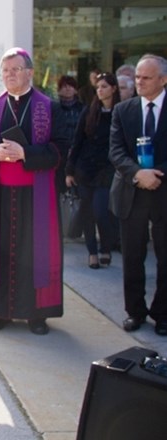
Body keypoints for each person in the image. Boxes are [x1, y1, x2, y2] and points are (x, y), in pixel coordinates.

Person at [0, 47, 69, 335]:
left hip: (37, 197)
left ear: (30, 72)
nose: (10, 75)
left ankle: (37, 314)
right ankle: (0, 311)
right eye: (6, 70)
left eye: (15, 69)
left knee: (35, 254)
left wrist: (26, 153)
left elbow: (61, 149)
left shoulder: (49, 107)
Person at [109, 54, 167, 336]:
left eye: (146, 77)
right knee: (132, 256)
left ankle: (163, 313)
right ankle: (135, 311)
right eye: (137, 77)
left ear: (163, 79)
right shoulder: (124, 110)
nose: (139, 82)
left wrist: (156, 174)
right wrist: (138, 174)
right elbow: (116, 151)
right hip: (132, 191)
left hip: (163, 191)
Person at [66, 72, 120, 270]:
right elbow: (77, 141)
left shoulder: (121, 111)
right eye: (98, 87)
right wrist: (69, 171)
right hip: (85, 169)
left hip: (107, 170)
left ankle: (105, 247)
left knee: (101, 211)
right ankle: (92, 252)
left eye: (105, 86)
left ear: (114, 89)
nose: (100, 90)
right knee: (87, 212)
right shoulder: (89, 111)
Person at [56, 75, 84, 196]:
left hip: (77, 151)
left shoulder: (83, 109)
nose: (67, 89)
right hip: (59, 151)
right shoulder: (54, 108)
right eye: (64, 86)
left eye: (71, 86)